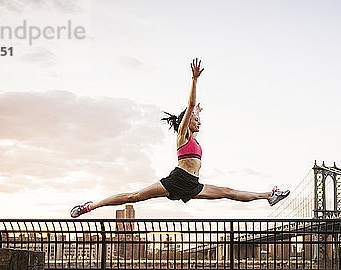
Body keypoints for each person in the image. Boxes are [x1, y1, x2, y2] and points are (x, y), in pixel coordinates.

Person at [70, 58, 289, 218]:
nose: (199, 122)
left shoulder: (193, 134)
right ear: (186, 120)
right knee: (133, 197)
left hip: (192, 184)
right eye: (195, 119)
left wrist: (199, 113)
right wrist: (194, 81)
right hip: (177, 180)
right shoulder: (182, 134)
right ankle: (90, 206)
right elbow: (190, 106)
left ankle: (269, 195)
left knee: (228, 193)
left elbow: (195, 111)